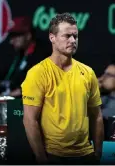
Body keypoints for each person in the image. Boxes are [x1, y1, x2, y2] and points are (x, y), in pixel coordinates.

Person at [21, 13, 104, 164]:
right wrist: (41, 158)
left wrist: (98, 153)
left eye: (75, 36)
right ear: (52, 37)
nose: (73, 40)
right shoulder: (37, 73)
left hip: (86, 155)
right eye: (67, 36)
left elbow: (97, 116)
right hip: (53, 155)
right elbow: (29, 119)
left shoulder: (88, 73)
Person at [0, 16, 51, 97]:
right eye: (10, 36)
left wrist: (5, 98)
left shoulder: (43, 53)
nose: (11, 41)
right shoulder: (16, 53)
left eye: (15, 36)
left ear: (28, 35)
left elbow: (37, 85)